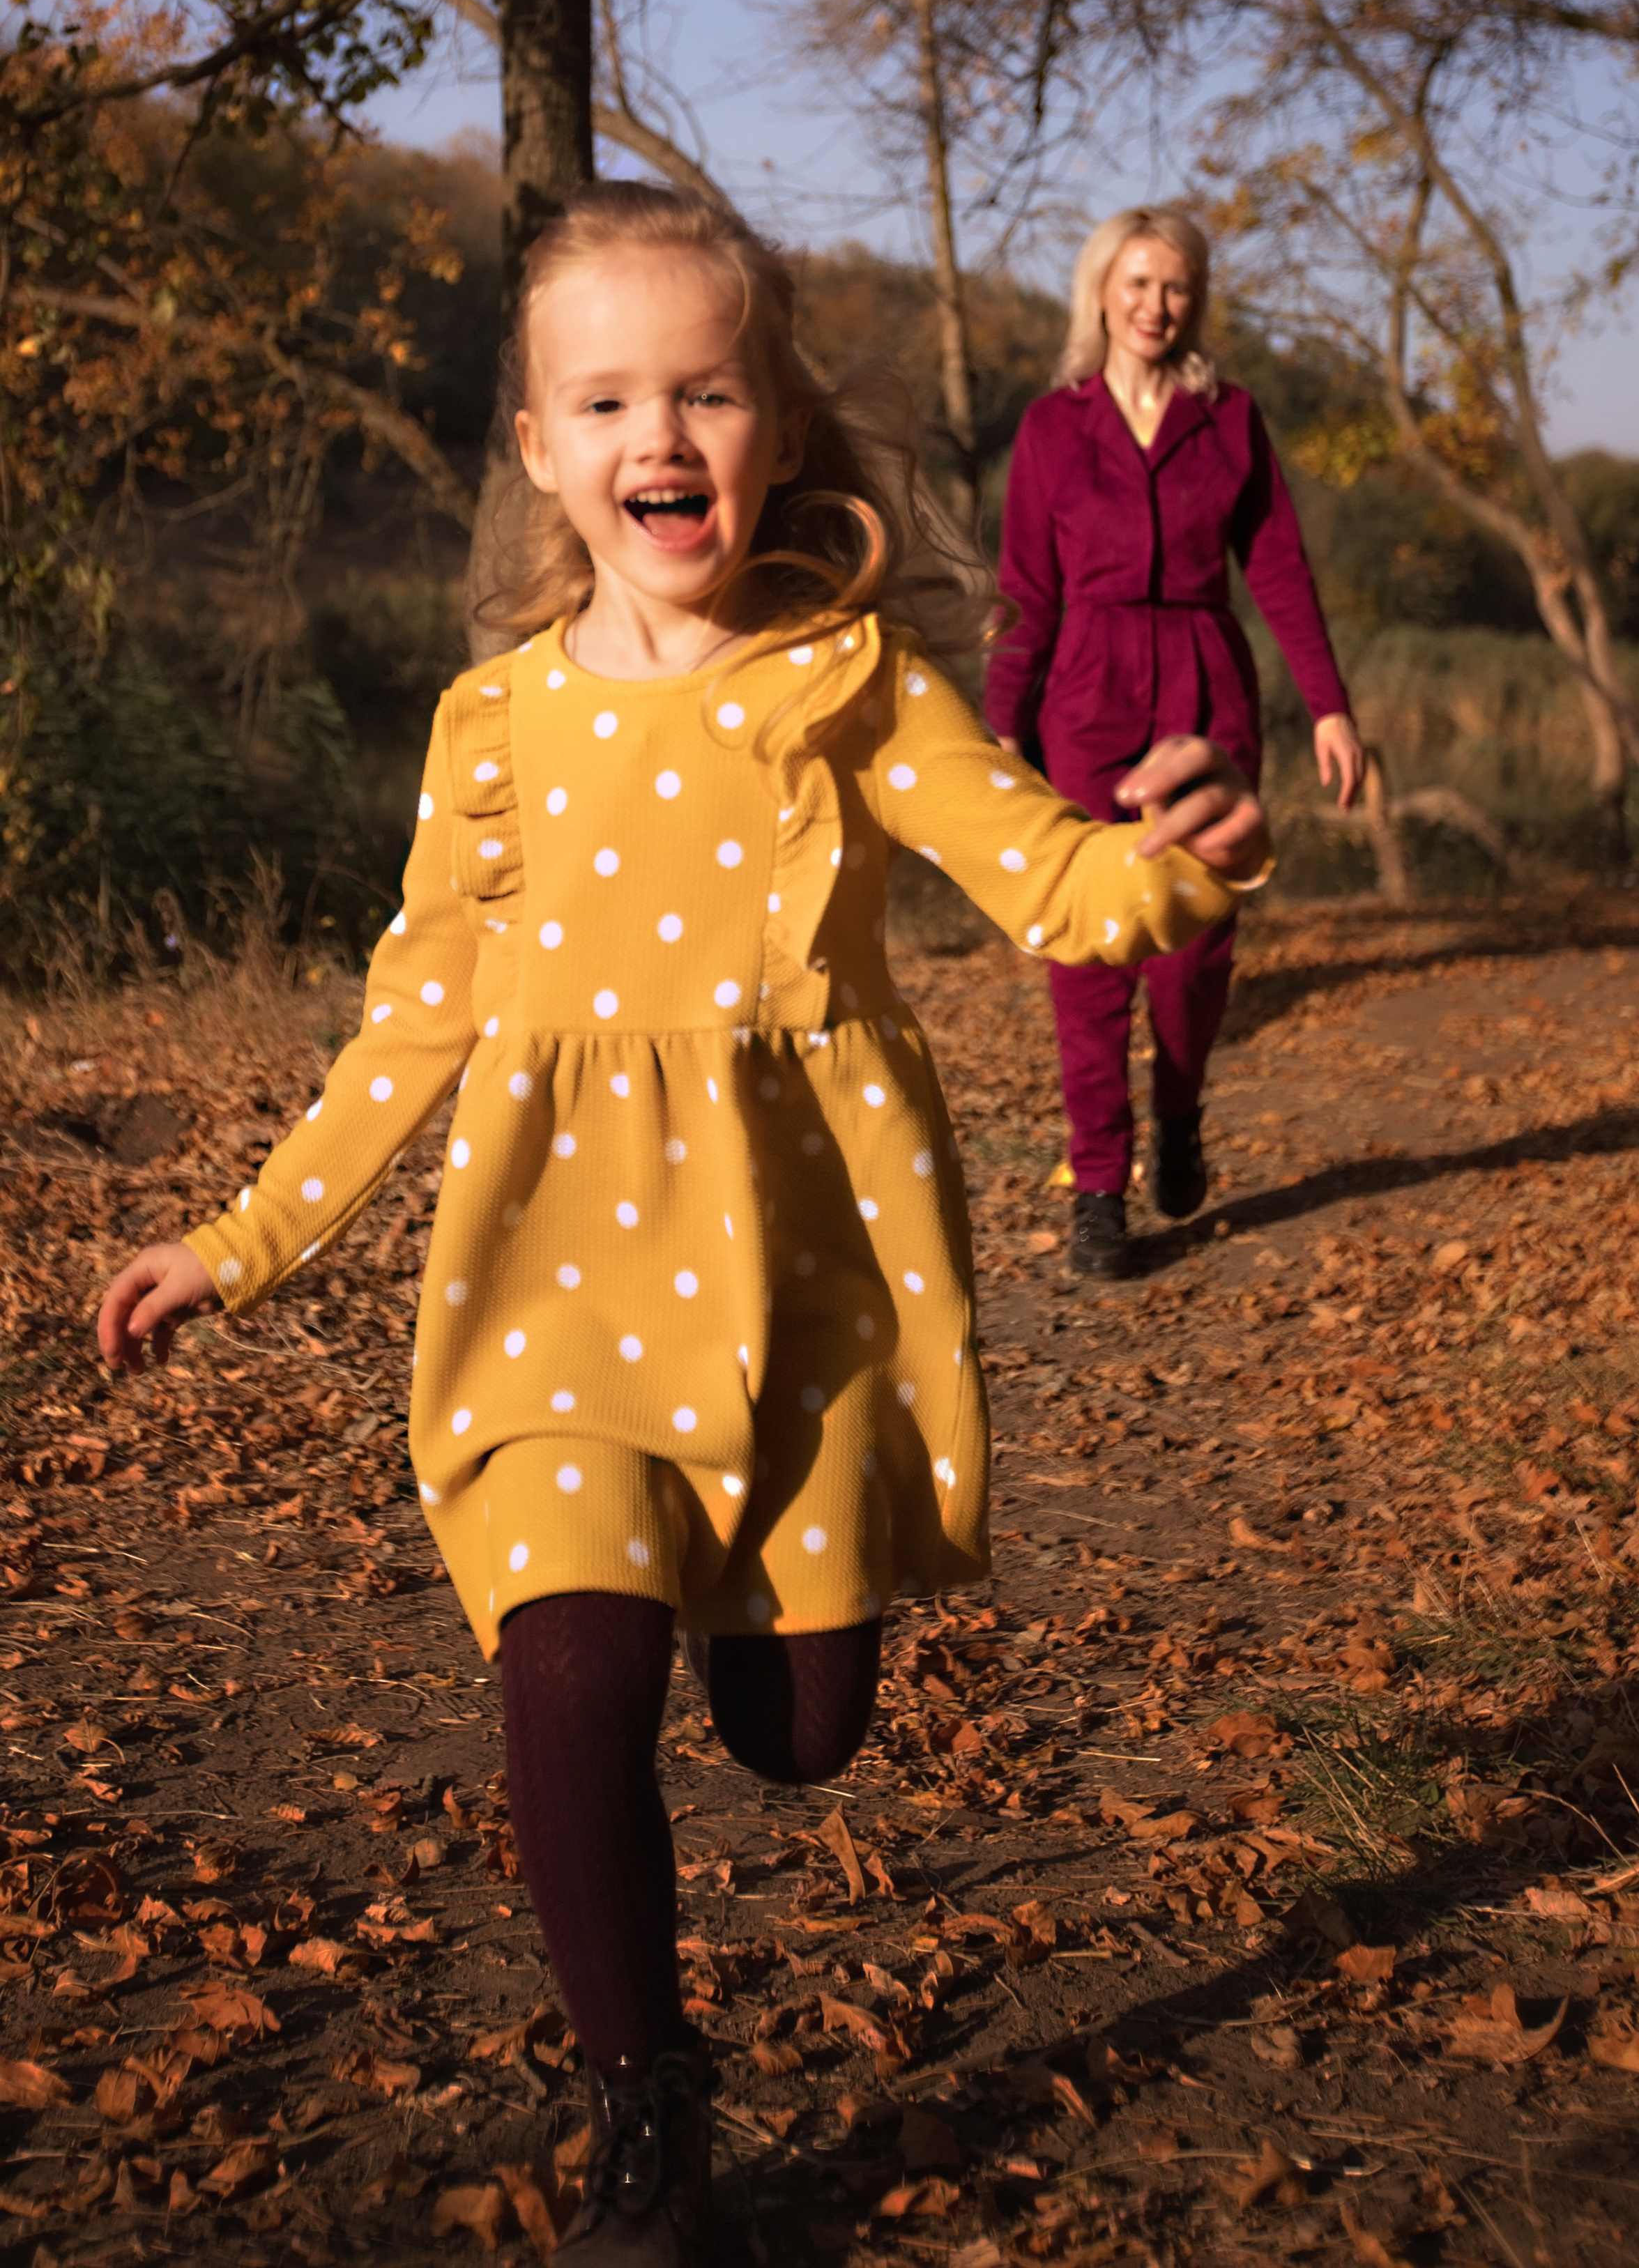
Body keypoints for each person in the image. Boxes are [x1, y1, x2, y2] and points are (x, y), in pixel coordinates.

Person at [96, 183, 1272, 2268]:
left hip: (800, 1280)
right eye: (611, 396)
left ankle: (764, 1622)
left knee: (801, 1735)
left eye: (707, 389)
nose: (665, 432)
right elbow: (415, 1017)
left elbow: (1044, 878)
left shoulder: (848, 683)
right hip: (553, 1271)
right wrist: (242, 1239)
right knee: (570, 1655)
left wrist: (1166, 873)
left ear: (775, 428)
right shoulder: (491, 729)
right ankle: (649, 2100)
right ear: (545, 450)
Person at [984, 204, 1360, 1280]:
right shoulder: (1054, 427)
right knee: (1089, 948)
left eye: (1177, 286)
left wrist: (1329, 702)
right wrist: (1003, 717)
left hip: (1206, 689)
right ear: (1100, 291)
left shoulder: (1231, 420)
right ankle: (1097, 1185)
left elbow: (1279, 568)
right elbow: (1025, 589)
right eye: (1137, 283)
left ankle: (1181, 1111)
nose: (1156, 306)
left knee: (1195, 950)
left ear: (1197, 301)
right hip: (1087, 694)